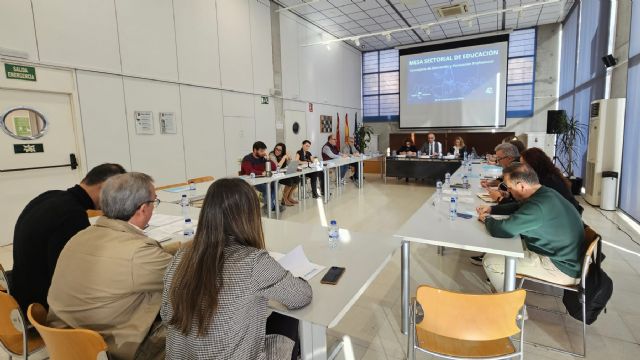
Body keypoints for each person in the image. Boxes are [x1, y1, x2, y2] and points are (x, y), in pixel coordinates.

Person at [162, 178, 312, 360]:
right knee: (288, 317)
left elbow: (165, 313)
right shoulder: (253, 261)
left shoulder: (181, 256)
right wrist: (298, 280)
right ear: (250, 216)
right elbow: (301, 296)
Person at [47, 172, 178, 360]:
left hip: (65, 344)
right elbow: (188, 277)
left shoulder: (79, 236)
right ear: (142, 209)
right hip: (110, 350)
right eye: (154, 202)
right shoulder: (139, 254)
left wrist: (180, 248)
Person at [11, 163, 126, 312]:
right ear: (105, 187)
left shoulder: (50, 196)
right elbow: (72, 275)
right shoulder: (72, 215)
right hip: (40, 306)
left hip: (20, 292)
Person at [476, 163, 583, 292]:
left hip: (560, 267)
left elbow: (502, 230)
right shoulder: (546, 192)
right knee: (506, 247)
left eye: (509, 187)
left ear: (521, 186)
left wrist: (486, 218)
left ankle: (507, 303)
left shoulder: (538, 207)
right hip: (566, 257)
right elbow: (519, 206)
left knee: (490, 261)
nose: (508, 191)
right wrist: (492, 209)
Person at [471, 143, 520, 265]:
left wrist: (498, 201)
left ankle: (495, 262)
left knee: (491, 263)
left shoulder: (516, 168)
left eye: (499, 159)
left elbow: (504, 228)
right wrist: (491, 209)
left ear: (509, 157)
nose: (497, 161)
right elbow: (516, 204)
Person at [520, 147, 583, 214]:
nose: (521, 168)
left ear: (533, 164)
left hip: (566, 216)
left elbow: (535, 206)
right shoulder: (549, 175)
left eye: (523, 165)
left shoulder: (549, 181)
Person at [241, 141, 283, 213]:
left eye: (264, 151)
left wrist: (268, 159)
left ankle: (269, 206)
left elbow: (274, 167)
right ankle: (271, 206)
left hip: (263, 179)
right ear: (255, 150)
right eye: (261, 151)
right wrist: (261, 172)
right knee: (268, 187)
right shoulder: (247, 158)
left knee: (276, 184)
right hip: (252, 181)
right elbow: (249, 171)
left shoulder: (262, 158)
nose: (263, 152)